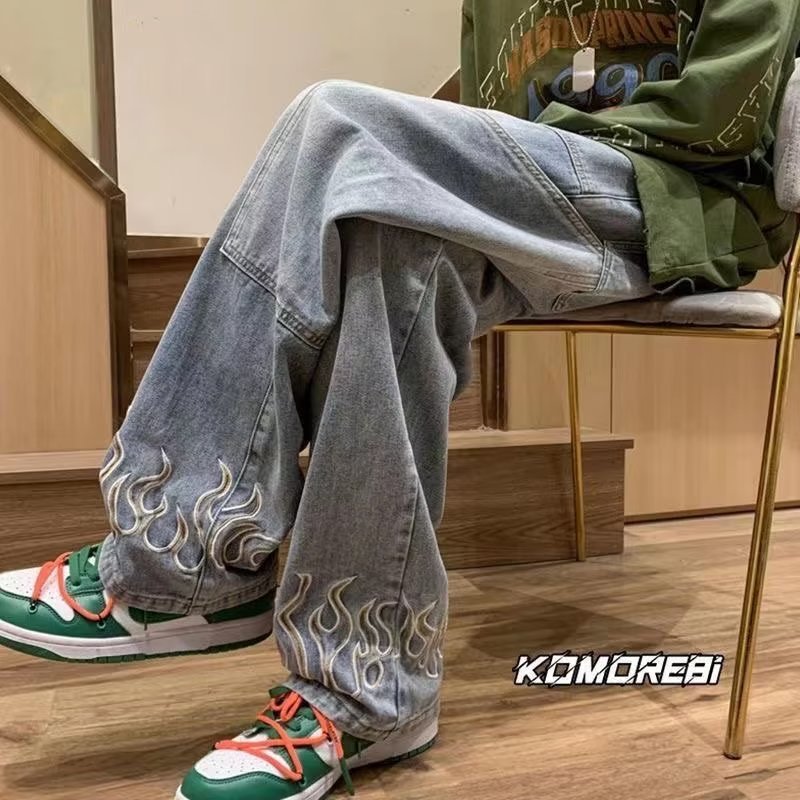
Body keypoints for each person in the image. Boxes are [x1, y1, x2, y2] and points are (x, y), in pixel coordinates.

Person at [1, 1, 798, 798]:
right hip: (539, 203)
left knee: (333, 119)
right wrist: (501, 159)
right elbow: (493, 116)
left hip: (678, 203)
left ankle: (179, 560)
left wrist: (524, 151)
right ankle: (369, 690)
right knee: (395, 248)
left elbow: (721, 118)